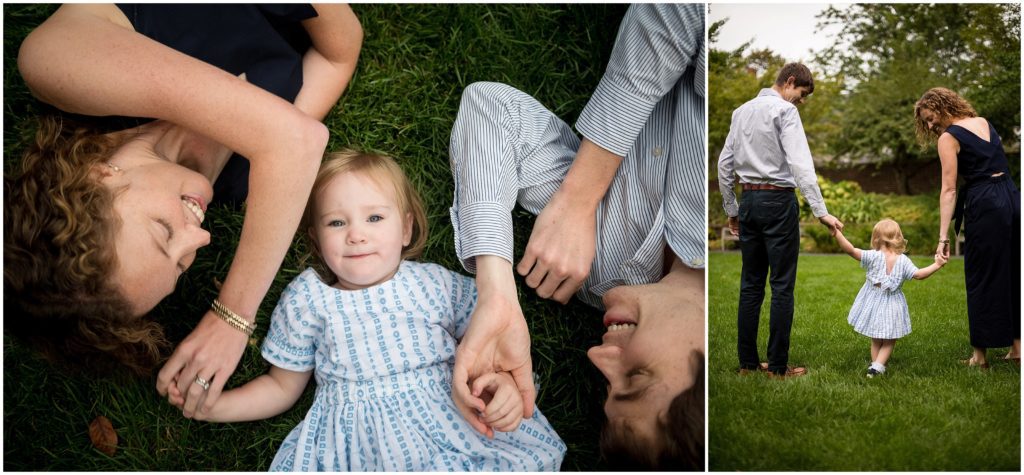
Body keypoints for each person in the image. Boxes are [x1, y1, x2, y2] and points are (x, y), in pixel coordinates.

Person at [4, 4, 362, 410]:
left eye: (164, 231)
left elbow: (295, 140)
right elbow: (337, 56)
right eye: (182, 264)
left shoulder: (58, 64)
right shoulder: (243, 180)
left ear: (97, 179)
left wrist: (232, 316)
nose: (200, 235)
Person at [167, 150, 566, 471]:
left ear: (406, 229)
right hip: (358, 443)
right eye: (337, 222)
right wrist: (218, 407)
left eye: (375, 217)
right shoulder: (307, 298)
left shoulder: (434, 284)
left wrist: (504, 387)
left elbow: (489, 346)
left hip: (449, 417)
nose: (356, 234)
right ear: (316, 239)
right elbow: (281, 388)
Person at [448, 4, 705, 469]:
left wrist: (497, 292)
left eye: (611, 387)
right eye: (638, 377)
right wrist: (580, 197)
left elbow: (491, 109)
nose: (597, 355)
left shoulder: (598, 270)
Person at [717, 62, 844, 379]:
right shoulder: (785, 113)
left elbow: (724, 165)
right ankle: (776, 368)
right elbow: (802, 166)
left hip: (749, 201)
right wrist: (820, 210)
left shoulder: (741, 111)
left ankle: (747, 365)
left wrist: (733, 209)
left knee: (750, 286)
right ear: (790, 82)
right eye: (801, 94)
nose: (800, 101)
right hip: (777, 201)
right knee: (782, 286)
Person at [914, 87, 1021, 368]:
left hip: (985, 202)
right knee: (1013, 271)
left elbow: (949, 190)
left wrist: (942, 238)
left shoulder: (948, 138)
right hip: (1012, 197)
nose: (930, 125)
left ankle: (980, 356)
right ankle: (1017, 348)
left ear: (943, 106)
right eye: (925, 122)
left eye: (930, 117)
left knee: (980, 276)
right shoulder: (984, 122)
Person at [832, 220, 947, 377]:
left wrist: (837, 233)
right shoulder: (903, 260)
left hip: (872, 301)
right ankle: (877, 366)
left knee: (876, 337)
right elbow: (919, 275)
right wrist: (937, 265)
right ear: (898, 237)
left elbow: (851, 250)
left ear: (876, 238)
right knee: (889, 339)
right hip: (893, 303)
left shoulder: (873, 256)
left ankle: (876, 366)